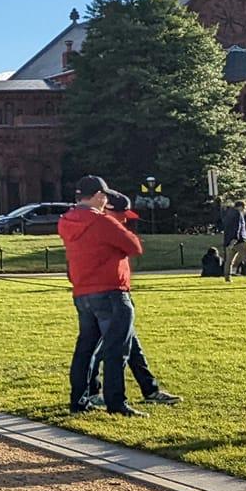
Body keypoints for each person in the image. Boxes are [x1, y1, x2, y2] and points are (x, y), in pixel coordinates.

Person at [76, 192, 179, 406]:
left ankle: (149, 389)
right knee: (102, 347)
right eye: (121, 214)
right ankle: (97, 392)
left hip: (113, 291)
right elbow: (133, 246)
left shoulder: (106, 228)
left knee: (130, 343)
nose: (124, 219)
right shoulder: (100, 227)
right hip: (106, 294)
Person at [58, 175, 145, 418]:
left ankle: (79, 400)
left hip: (84, 292)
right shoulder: (103, 222)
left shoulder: (66, 221)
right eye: (104, 196)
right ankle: (116, 402)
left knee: (85, 348)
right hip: (111, 291)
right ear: (97, 196)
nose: (106, 200)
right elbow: (134, 247)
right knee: (116, 349)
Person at [219, 201, 246, 281]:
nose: (244, 210)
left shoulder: (227, 213)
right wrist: (235, 239)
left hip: (228, 240)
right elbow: (238, 227)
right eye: (244, 208)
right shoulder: (237, 213)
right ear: (241, 207)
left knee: (229, 261)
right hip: (239, 240)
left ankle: (227, 277)